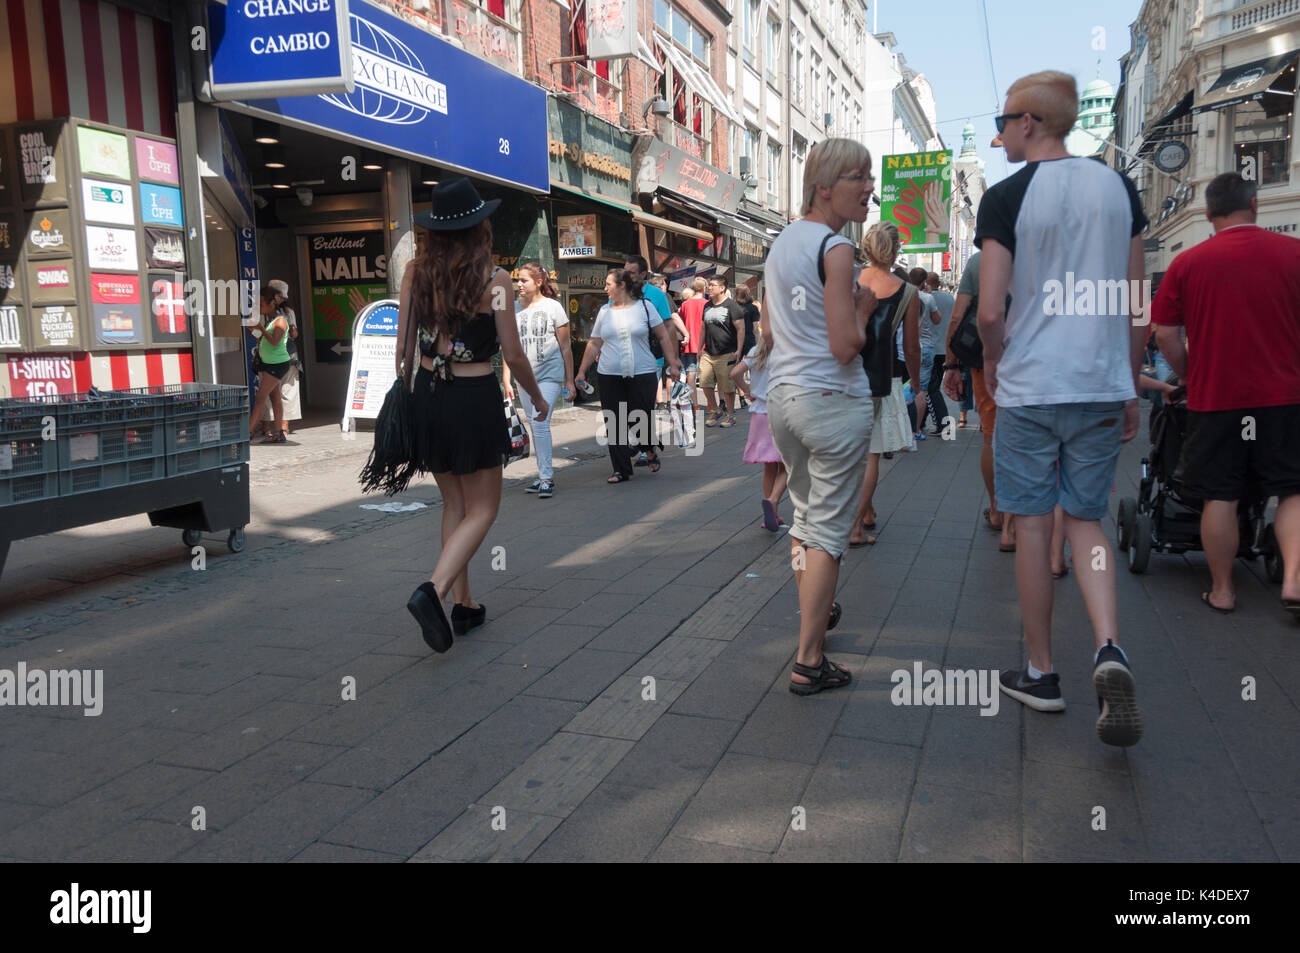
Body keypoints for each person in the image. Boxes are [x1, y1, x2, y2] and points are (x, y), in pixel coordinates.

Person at [979, 71, 1148, 747]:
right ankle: (1109, 646)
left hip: (1030, 387)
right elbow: (1138, 305)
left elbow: (992, 307)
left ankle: (1042, 672)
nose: (997, 134)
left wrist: (994, 357)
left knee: (1033, 525)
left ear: (1030, 123)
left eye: (1004, 122)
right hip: (1100, 384)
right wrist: (1130, 379)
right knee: (1085, 520)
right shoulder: (1119, 188)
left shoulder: (1005, 197)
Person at [399, 178, 548, 654]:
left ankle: (463, 605)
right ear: (477, 226)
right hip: (473, 394)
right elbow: (513, 352)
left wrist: (410, 392)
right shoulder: (495, 281)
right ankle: (435, 591)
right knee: (483, 509)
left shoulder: (414, 272)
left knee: (455, 505)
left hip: (428, 393)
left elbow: (403, 347)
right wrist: (538, 400)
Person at [1151, 171, 1300, 617]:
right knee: (1292, 490)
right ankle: (1293, 579)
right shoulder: (1294, 253)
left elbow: (1165, 336)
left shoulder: (1188, 263)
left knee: (1221, 493)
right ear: (1254, 205)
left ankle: (1222, 590)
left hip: (1218, 399)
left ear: (1210, 212)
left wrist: (1189, 374)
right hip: (1285, 396)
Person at [763, 137, 878, 696]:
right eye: (859, 178)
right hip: (830, 399)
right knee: (829, 532)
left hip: (784, 399)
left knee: (806, 522)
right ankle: (809, 659)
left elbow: (769, 333)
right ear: (825, 186)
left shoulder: (781, 243)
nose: (870, 189)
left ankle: (816, 610)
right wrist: (862, 309)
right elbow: (844, 345)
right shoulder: (836, 249)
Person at [850, 223, 920, 546]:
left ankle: (865, 511)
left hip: (843, 373)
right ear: (894, 251)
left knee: (848, 453)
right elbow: (911, 348)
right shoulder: (907, 292)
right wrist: (917, 385)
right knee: (873, 455)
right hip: (880, 378)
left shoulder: (851, 279)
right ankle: (854, 529)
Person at [576, 268, 682, 482]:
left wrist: (673, 363)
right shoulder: (604, 311)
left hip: (643, 371)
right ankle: (621, 469)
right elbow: (595, 342)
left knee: (639, 416)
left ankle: (648, 448)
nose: (604, 288)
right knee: (614, 421)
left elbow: (663, 336)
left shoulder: (645, 307)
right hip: (609, 373)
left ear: (621, 285)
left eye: (608, 284)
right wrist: (581, 370)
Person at [942, 250, 1016, 551]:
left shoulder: (980, 261)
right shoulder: (1044, 249)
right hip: (1032, 361)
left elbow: (958, 317)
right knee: (1024, 439)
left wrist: (951, 365)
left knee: (991, 436)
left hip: (987, 361)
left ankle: (998, 510)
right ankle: (1014, 524)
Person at [502, 263, 576, 499]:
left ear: (538, 282)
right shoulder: (512, 309)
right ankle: (542, 474)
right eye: (518, 280)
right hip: (524, 377)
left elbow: (566, 347)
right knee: (535, 424)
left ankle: (546, 478)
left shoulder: (553, 308)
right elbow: (508, 347)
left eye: (524, 280)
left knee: (539, 421)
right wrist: (507, 376)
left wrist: (570, 381)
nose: (519, 285)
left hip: (549, 374)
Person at [731, 332, 787, 531]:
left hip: (759, 416)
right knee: (790, 465)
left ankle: (771, 513)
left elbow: (734, 373)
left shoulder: (756, 352)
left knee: (769, 467)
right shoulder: (784, 353)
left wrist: (747, 391)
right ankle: (773, 501)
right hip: (780, 413)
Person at [700, 276, 746, 428]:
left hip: (727, 352)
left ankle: (731, 416)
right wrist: (699, 348)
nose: (709, 288)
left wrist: (739, 350)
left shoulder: (732, 306)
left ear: (722, 288)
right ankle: (716, 410)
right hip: (708, 352)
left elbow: (741, 328)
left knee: (727, 387)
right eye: (709, 285)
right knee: (705, 384)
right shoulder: (707, 305)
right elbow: (703, 328)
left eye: (712, 285)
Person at [259, 279, 302, 440]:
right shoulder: (288, 312)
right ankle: (282, 427)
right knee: (285, 391)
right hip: (287, 356)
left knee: (269, 391)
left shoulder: (263, 311)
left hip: (271, 357)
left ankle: (269, 427)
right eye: (281, 296)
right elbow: (294, 335)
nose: (283, 299)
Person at [249, 285, 290, 443]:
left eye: (261, 304)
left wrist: (260, 328)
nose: (259, 308)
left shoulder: (280, 321)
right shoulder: (272, 321)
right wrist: (254, 331)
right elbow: (264, 340)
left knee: (260, 397)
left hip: (276, 364)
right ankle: (279, 432)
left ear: (271, 304)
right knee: (275, 397)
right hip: (270, 363)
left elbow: (274, 342)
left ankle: (249, 432)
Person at [907, 267, 940, 442]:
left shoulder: (903, 294)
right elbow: (937, 319)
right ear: (924, 281)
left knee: (904, 386)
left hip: (904, 347)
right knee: (921, 390)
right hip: (925, 347)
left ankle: (904, 427)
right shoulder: (928, 298)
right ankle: (916, 430)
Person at [925, 272, 953, 435]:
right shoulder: (949, 298)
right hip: (945, 348)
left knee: (931, 388)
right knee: (932, 387)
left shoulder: (925, 298)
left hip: (930, 348)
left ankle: (943, 424)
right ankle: (922, 421)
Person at [678, 276, 707, 412]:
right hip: (704, 344)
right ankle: (711, 405)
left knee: (690, 374)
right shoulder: (707, 304)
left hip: (689, 344)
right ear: (704, 288)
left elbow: (681, 324)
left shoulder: (685, 304)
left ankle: (694, 404)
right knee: (708, 375)